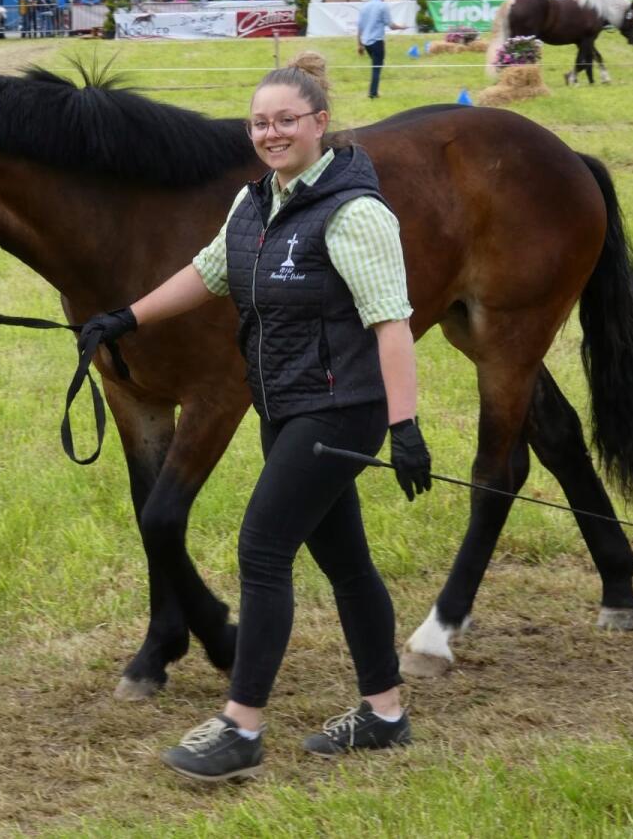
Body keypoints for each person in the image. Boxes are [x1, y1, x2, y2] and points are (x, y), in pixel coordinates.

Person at [76, 52, 431, 783]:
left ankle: (242, 726)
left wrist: (405, 428)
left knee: (263, 550)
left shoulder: (355, 212)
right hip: (286, 406)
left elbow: (392, 323)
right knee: (346, 562)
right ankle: (385, 712)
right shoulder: (255, 202)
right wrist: (123, 318)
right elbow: (208, 272)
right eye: (261, 123)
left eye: (286, 121)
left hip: (341, 409)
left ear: (319, 124)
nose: (272, 133)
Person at [357, 0, 405, 100]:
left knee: (375, 66)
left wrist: (359, 44)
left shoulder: (365, 6)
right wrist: (402, 27)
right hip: (377, 42)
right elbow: (391, 26)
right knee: (377, 67)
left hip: (367, 43)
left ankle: (374, 91)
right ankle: (373, 93)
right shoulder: (383, 6)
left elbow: (360, 27)